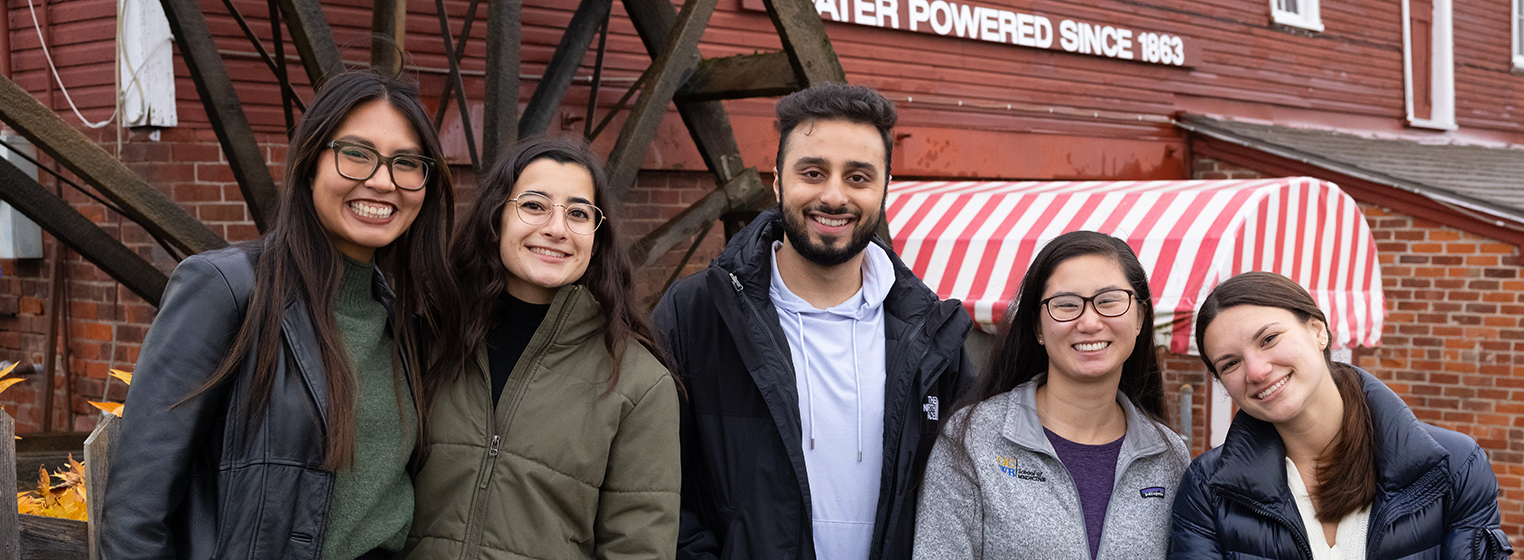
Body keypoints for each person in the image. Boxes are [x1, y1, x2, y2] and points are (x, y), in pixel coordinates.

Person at [100, 70, 460, 560]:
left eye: (406, 163)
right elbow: (136, 515)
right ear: (312, 163)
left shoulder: (405, 324)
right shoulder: (226, 290)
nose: (382, 181)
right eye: (356, 154)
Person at [654, 83, 975, 560]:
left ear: (884, 190)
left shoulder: (932, 334)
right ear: (779, 183)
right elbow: (654, 486)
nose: (833, 195)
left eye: (859, 178)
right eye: (813, 172)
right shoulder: (695, 314)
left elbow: (963, 497)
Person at [404, 136, 679, 559]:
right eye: (534, 205)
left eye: (578, 213)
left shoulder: (640, 385)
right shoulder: (429, 340)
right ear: (496, 219)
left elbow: (638, 548)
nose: (555, 229)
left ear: (596, 237)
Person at [1169, 271, 1512, 559]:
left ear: (1318, 331)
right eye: (1231, 363)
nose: (1256, 371)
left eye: (1269, 339)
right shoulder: (1208, 489)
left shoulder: (1454, 467)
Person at [913, 231, 1189, 559]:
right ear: (1037, 327)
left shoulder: (1169, 457)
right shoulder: (973, 439)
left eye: (1109, 301)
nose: (1089, 322)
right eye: (1066, 305)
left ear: (1141, 317)